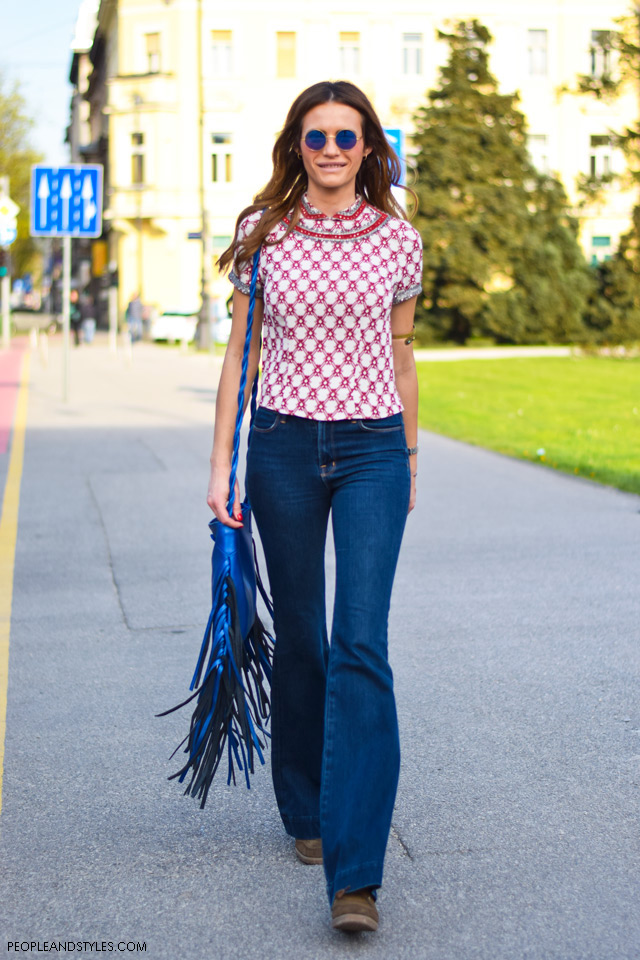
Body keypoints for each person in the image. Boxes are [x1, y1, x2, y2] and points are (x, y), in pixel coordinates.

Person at [208, 80, 422, 934]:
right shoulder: (263, 234)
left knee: (359, 642)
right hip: (285, 450)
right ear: (296, 146)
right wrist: (221, 464)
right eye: (315, 135)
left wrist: (410, 454)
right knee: (302, 635)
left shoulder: (401, 241)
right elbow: (238, 358)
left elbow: (403, 354)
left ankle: (356, 875)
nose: (331, 148)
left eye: (346, 134)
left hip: (373, 450)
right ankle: (304, 809)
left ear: (370, 145)